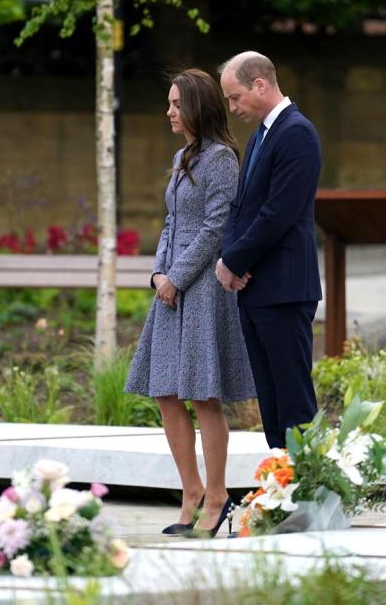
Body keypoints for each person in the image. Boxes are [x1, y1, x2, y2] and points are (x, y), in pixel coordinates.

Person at [125, 68, 255, 538]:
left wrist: (177, 277)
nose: (170, 111)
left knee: (203, 395)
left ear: (198, 106)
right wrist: (159, 272)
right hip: (171, 288)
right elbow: (171, 222)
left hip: (202, 291)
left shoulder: (221, 159)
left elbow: (215, 228)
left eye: (177, 104)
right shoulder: (183, 156)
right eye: (169, 103)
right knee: (164, 390)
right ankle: (191, 491)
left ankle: (217, 495)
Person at [215, 51, 323, 449]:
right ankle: (282, 487)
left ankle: (309, 493)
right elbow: (240, 207)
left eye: (235, 97)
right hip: (256, 289)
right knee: (272, 404)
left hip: (284, 288)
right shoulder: (261, 134)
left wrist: (235, 260)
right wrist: (229, 258)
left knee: (294, 402)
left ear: (260, 85)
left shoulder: (297, 133)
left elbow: (280, 212)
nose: (232, 107)